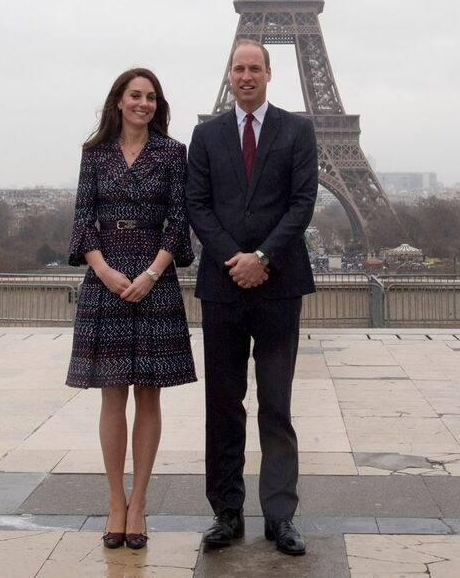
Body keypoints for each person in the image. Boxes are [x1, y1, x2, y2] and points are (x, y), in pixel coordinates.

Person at [186, 40, 318, 557]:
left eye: (254, 68)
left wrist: (261, 257)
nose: (246, 76)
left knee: (276, 403)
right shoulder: (207, 134)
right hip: (223, 286)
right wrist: (233, 260)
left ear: (270, 73)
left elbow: (302, 202)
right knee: (222, 403)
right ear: (231, 73)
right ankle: (226, 510)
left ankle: (280, 515)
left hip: (278, 284)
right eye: (238, 68)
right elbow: (197, 205)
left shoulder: (298, 129)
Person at [66, 68, 196, 550]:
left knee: (149, 395)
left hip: (153, 277)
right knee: (111, 395)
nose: (143, 103)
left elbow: (178, 222)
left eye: (151, 97)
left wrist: (151, 273)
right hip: (107, 276)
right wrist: (103, 270)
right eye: (135, 95)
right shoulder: (94, 154)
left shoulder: (172, 153)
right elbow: (83, 219)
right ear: (118, 101)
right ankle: (114, 501)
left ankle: (138, 503)